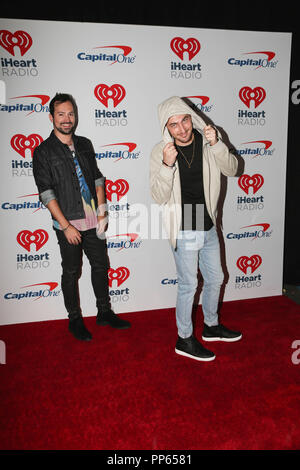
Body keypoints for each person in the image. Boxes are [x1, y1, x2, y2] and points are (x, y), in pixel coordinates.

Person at [150, 96, 242, 362]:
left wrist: (217, 144)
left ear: (192, 118)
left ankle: (211, 327)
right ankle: (184, 338)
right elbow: (158, 195)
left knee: (216, 278)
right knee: (189, 285)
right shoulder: (160, 151)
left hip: (208, 223)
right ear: (166, 128)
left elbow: (233, 169)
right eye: (174, 124)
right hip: (185, 226)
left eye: (185, 120)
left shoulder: (209, 140)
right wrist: (167, 165)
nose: (182, 128)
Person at [33, 93, 130, 341]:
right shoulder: (43, 151)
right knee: (71, 271)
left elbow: (98, 179)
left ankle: (104, 312)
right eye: (61, 114)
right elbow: (46, 192)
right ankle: (74, 319)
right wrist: (65, 227)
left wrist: (102, 212)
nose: (67, 119)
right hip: (68, 224)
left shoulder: (85, 143)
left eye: (71, 114)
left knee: (100, 265)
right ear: (51, 117)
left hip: (92, 221)